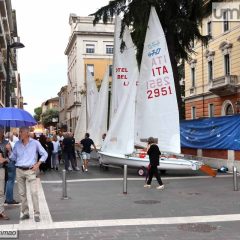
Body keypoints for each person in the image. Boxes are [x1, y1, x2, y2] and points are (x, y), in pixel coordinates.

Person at [9, 127, 48, 222]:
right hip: (19, 170)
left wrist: (38, 164)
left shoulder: (35, 143)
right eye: (19, 132)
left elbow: (45, 154)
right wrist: (9, 150)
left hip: (30, 170)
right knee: (22, 194)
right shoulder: (17, 144)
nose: (19, 134)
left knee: (34, 192)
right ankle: (25, 212)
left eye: (21, 132)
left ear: (27, 133)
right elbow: (13, 158)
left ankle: (37, 213)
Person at [5, 132, 19, 205]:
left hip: (5, 164)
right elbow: (12, 155)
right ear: (11, 137)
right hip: (10, 163)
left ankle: (5, 198)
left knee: (6, 181)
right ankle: (9, 199)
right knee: (10, 181)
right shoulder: (9, 144)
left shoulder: (4, 142)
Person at [0, 127, 10, 220]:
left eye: (2, 130)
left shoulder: (6, 143)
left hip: (2, 169)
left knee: (1, 192)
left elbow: (11, 157)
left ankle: (1, 211)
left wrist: (9, 150)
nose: (1, 132)